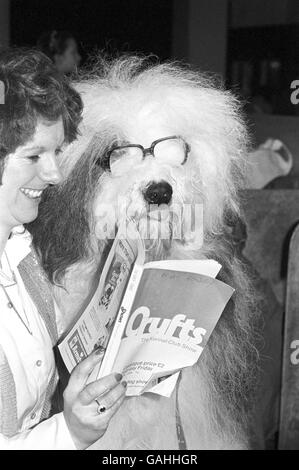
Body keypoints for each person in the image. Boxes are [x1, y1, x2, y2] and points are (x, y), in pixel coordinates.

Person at [0, 48, 126, 449]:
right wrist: (71, 431)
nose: (54, 174)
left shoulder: (20, 249)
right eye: (34, 155)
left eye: (57, 152)